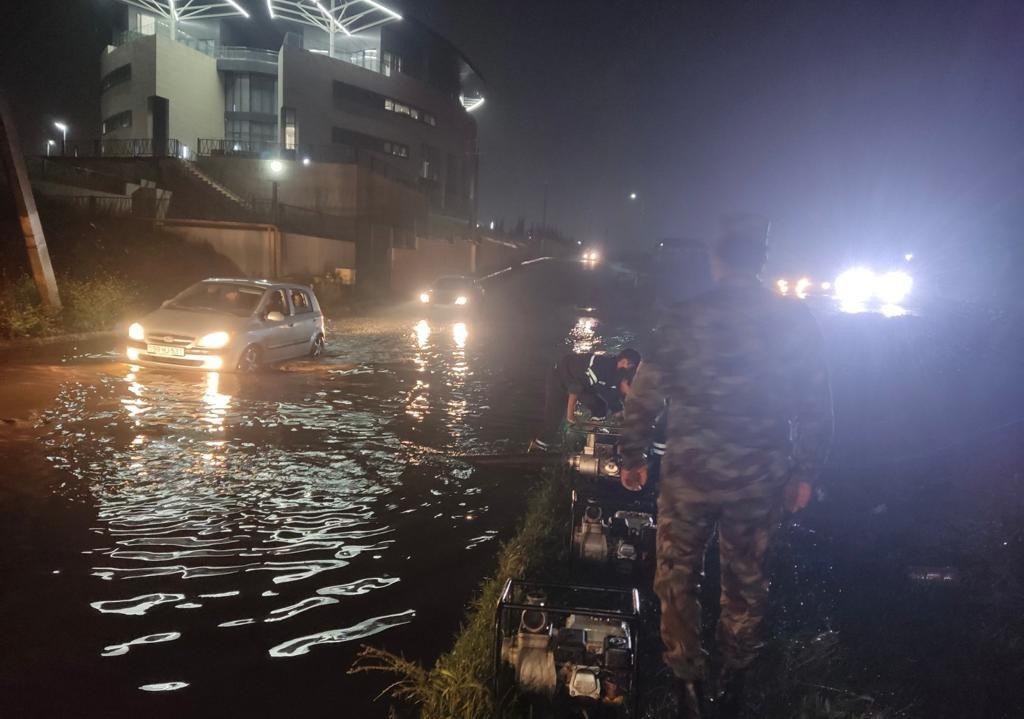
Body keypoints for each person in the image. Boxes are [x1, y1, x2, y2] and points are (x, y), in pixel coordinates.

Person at [619, 215, 833, 718]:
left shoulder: (683, 317)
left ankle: (688, 686)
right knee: (745, 582)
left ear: (717, 261)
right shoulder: (794, 319)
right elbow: (816, 402)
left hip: (688, 479)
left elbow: (643, 396)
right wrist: (806, 471)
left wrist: (632, 457)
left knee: (677, 579)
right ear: (760, 260)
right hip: (758, 480)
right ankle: (733, 682)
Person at [530, 348, 642, 452]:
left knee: (600, 407)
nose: (631, 371)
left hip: (582, 384)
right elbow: (576, 386)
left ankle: (591, 438)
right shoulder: (602, 366)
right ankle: (537, 449)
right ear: (624, 362)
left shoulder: (617, 376)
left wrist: (626, 425)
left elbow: (614, 403)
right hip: (561, 377)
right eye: (631, 367)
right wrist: (570, 415)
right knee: (553, 421)